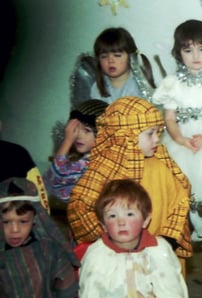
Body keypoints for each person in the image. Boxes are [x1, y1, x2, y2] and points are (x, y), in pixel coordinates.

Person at [67, 96, 193, 268]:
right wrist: (112, 239)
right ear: (126, 136)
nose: (157, 139)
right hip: (115, 259)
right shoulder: (103, 170)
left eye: (158, 132)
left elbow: (180, 203)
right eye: (150, 133)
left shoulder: (162, 165)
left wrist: (167, 241)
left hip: (160, 255)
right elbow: (79, 208)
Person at [152, 20, 202, 242]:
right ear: (178, 54)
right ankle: (189, 210)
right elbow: (169, 118)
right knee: (181, 164)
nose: (196, 56)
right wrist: (179, 138)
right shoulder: (173, 84)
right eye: (188, 50)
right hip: (183, 136)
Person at [43, 99, 108, 203]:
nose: (78, 135)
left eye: (87, 130)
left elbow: (56, 177)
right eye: (75, 129)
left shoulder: (93, 163)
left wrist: (67, 141)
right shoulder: (84, 159)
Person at [90, 27, 154, 103]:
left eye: (117, 55)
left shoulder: (140, 85)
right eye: (104, 57)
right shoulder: (97, 88)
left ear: (131, 57)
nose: (110, 61)